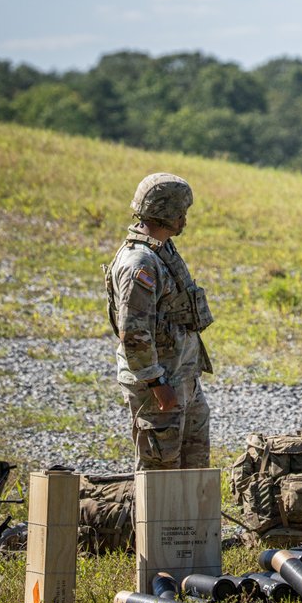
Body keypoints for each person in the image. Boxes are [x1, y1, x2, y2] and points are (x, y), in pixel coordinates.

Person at [104, 172, 213, 471]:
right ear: (166, 212)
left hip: (182, 378)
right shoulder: (139, 263)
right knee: (159, 479)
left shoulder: (161, 250)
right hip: (161, 385)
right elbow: (134, 331)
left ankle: (191, 520)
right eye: (181, 212)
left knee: (195, 473)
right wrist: (156, 383)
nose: (185, 220)